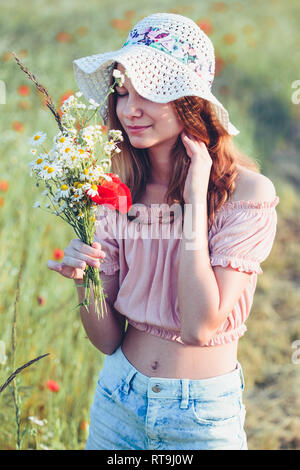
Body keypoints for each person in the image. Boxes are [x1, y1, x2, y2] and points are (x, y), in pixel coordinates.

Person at [47, 13, 279, 450]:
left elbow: (198, 327)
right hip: (118, 400)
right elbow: (107, 339)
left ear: (189, 102)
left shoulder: (245, 194)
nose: (129, 109)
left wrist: (194, 205)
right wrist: (86, 281)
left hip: (201, 418)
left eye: (149, 93)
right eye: (122, 92)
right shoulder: (116, 191)